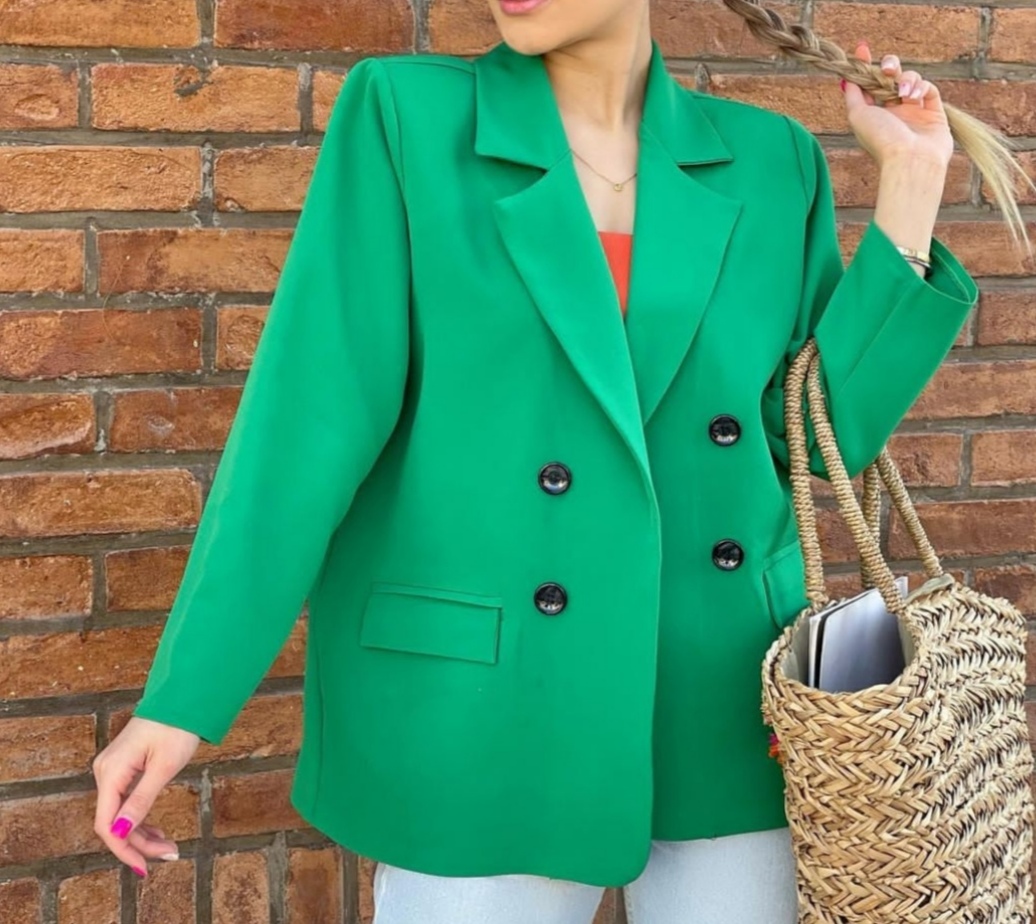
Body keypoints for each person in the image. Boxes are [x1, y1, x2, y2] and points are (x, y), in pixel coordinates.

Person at [91, 0, 1014, 920]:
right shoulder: (408, 118)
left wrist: (912, 183)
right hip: (486, 702)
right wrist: (185, 699)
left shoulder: (771, 158)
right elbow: (303, 428)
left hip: (724, 694)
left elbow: (816, 437)